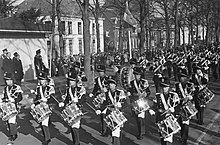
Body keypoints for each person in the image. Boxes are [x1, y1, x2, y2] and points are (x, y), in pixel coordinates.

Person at [96, 75, 126, 145]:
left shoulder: (120, 92)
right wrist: (100, 110)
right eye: (109, 84)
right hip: (109, 113)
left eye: (112, 83)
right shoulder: (106, 94)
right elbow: (104, 104)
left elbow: (126, 103)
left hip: (118, 113)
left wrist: (121, 105)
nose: (110, 85)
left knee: (116, 132)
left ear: (115, 85)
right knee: (112, 131)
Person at [59, 71, 86, 145]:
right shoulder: (69, 89)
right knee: (71, 126)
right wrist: (63, 103)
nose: (71, 82)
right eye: (70, 80)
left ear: (76, 81)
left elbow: (84, 99)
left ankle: (77, 143)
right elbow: (67, 99)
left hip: (77, 110)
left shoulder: (81, 89)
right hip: (70, 110)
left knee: (75, 127)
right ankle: (75, 142)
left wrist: (78, 101)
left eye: (72, 80)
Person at [150, 77, 179, 145]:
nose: (164, 88)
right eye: (163, 87)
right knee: (162, 139)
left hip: (169, 120)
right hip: (160, 119)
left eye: (166, 87)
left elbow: (178, 108)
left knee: (168, 140)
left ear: (169, 87)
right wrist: (152, 110)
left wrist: (174, 110)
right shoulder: (157, 96)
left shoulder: (174, 95)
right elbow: (154, 106)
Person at [30, 71, 55, 145]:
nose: (41, 81)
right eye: (40, 79)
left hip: (47, 107)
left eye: (42, 79)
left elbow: (53, 99)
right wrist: (34, 104)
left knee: (44, 123)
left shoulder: (50, 88)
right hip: (40, 107)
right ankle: (47, 136)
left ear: (46, 80)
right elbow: (37, 98)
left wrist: (46, 100)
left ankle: (47, 139)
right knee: (41, 123)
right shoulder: (38, 88)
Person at [127, 66, 151, 140]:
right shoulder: (132, 83)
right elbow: (129, 91)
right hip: (136, 102)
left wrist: (146, 94)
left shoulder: (144, 82)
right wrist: (129, 93)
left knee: (142, 117)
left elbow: (148, 91)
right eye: (136, 75)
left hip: (143, 102)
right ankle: (140, 131)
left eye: (139, 75)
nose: (137, 76)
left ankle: (143, 132)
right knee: (138, 118)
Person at [175, 68, 195, 145]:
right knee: (180, 123)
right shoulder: (177, 85)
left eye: (183, 77)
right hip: (180, 106)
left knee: (186, 123)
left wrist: (190, 98)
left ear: (186, 77)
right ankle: (182, 137)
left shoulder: (190, 85)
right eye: (180, 77)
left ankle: (185, 139)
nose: (181, 78)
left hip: (187, 107)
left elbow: (193, 95)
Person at [0, 72, 23, 141]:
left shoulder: (17, 87)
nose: (8, 82)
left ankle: (13, 134)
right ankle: (12, 133)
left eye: (9, 80)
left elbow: (20, 97)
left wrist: (14, 100)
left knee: (11, 121)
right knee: (8, 120)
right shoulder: (5, 88)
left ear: (13, 80)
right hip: (7, 106)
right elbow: (4, 96)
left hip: (14, 106)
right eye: (7, 80)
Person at [89, 64, 109, 136]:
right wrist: (93, 93)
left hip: (107, 99)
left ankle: (105, 130)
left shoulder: (107, 79)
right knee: (102, 115)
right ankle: (104, 129)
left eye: (102, 72)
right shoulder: (97, 80)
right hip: (100, 99)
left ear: (104, 72)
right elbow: (95, 88)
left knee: (106, 115)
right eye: (99, 72)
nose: (100, 73)